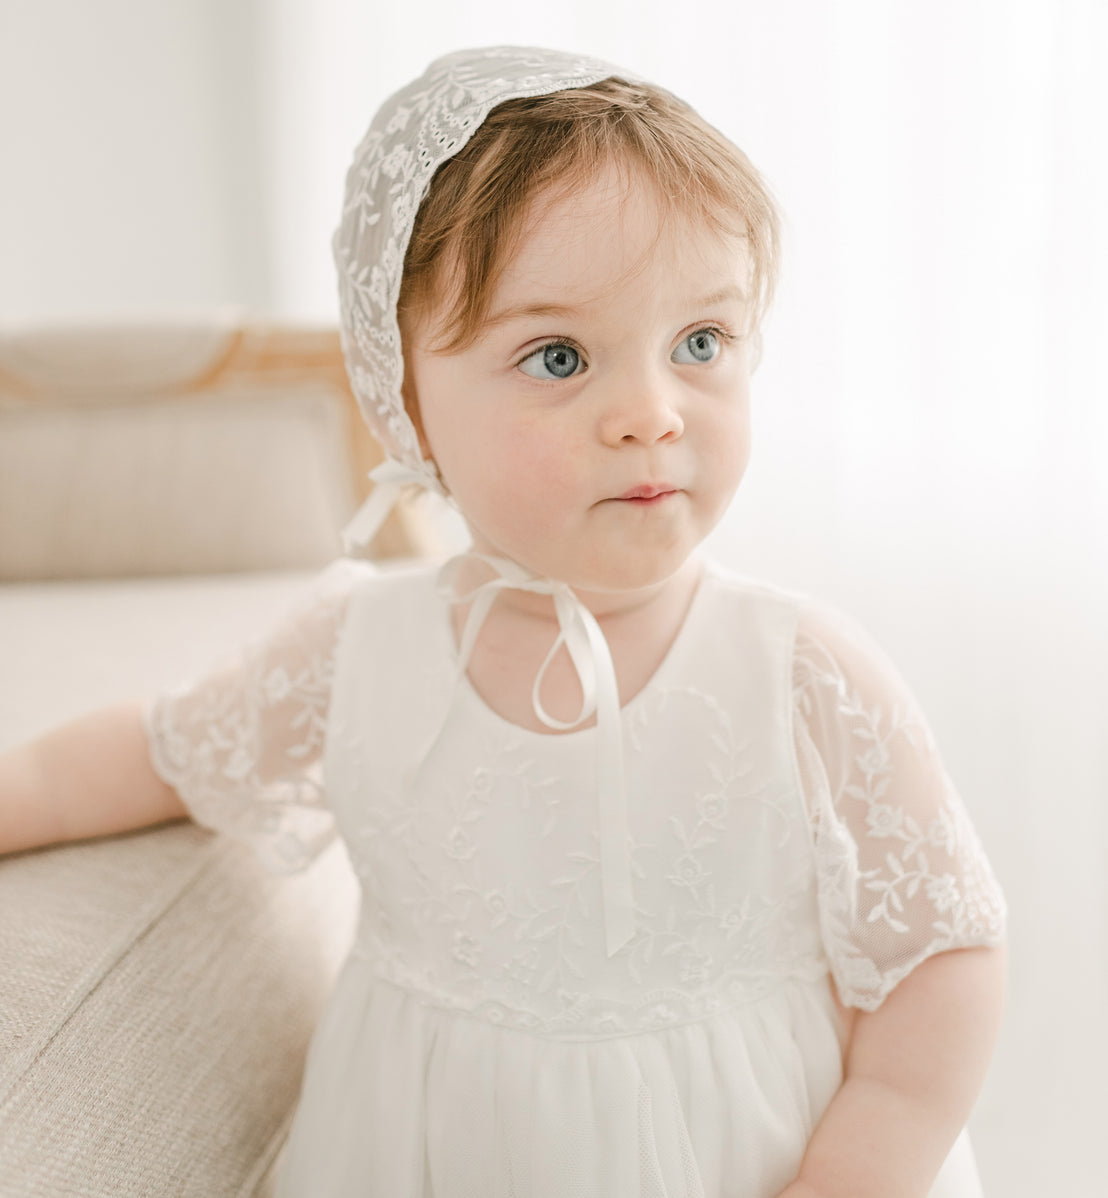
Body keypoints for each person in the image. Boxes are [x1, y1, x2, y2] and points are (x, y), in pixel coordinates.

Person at [0, 45, 1006, 1198]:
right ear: (409, 403)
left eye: (701, 343)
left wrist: (864, 1161)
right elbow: (150, 753)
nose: (649, 413)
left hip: (742, 1154)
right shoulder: (357, 649)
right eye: (559, 356)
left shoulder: (800, 667)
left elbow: (945, 941)